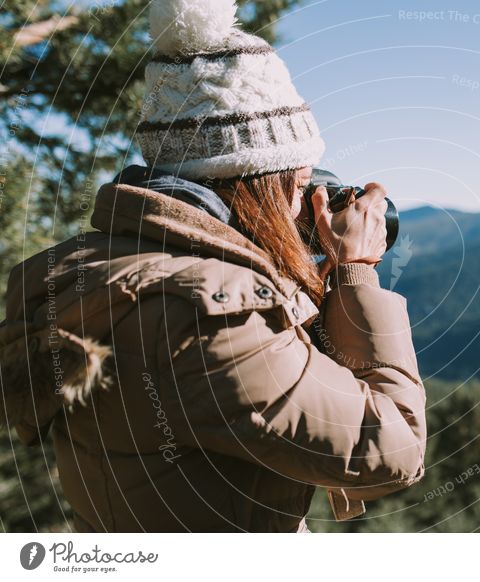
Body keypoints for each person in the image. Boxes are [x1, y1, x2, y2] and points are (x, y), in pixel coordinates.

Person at [0, 0, 426, 533]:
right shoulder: (205, 316)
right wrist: (356, 268)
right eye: (295, 187)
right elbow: (393, 450)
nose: (301, 209)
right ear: (254, 188)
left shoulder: (95, 265)